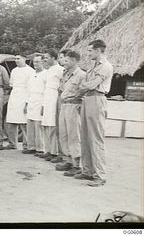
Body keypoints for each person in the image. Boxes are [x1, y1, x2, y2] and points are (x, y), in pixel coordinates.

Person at [74, 39, 113, 187]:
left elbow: (90, 84)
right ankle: (88, 170)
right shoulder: (93, 67)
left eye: (90, 50)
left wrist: (83, 86)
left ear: (98, 50)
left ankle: (99, 175)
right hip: (88, 99)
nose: (88, 53)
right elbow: (85, 85)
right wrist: (84, 87)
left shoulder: (106, 66)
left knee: (95, 138)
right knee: (84, 136)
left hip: (97, 99)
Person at [55, 51, 86, 176]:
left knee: (74, 135)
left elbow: (84, 92)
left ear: (74, 61)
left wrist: (77, 102)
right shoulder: (65, 74)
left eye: (66, 60)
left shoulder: (82, 75)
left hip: (73, 105)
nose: (63, 62)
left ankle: (76, 165)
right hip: (64, 105)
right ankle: (68, 160)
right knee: (64, 134)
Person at [4, 54, 35, 150]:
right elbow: (12, 84)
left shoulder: (31, 71)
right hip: (14, 96)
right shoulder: (14, 70)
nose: (16, 61)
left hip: (24, 95)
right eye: (15, 59)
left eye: (18, 59)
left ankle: (27, 145)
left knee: (24, 122)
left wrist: (27, 102)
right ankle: (12, 143)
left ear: (24, 59)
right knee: (11, 121)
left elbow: (31, 88)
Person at [38, 49, 64, 162]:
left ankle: (55, 152)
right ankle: (47, 150)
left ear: (54, 58)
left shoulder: (60, 69)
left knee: (53, 125)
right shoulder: (48, 70)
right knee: (47, 124)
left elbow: (62, 85)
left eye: (47, 57)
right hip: (47, 97)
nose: (45, 60)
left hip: (54, 97)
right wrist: (43, 104)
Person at [22, 54, 47, 155]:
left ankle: (40, 148)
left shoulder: (46, 74)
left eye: (38, 62)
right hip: (31, 100)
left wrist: (44, 105)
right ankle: (31, 146)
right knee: (30, 124)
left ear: (43, 62)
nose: (35, 64)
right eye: (34, 62)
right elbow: (28, 90)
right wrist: (26, 104)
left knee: (38, 125)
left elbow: (46, 91)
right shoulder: (32, 75)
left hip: (40, 100)